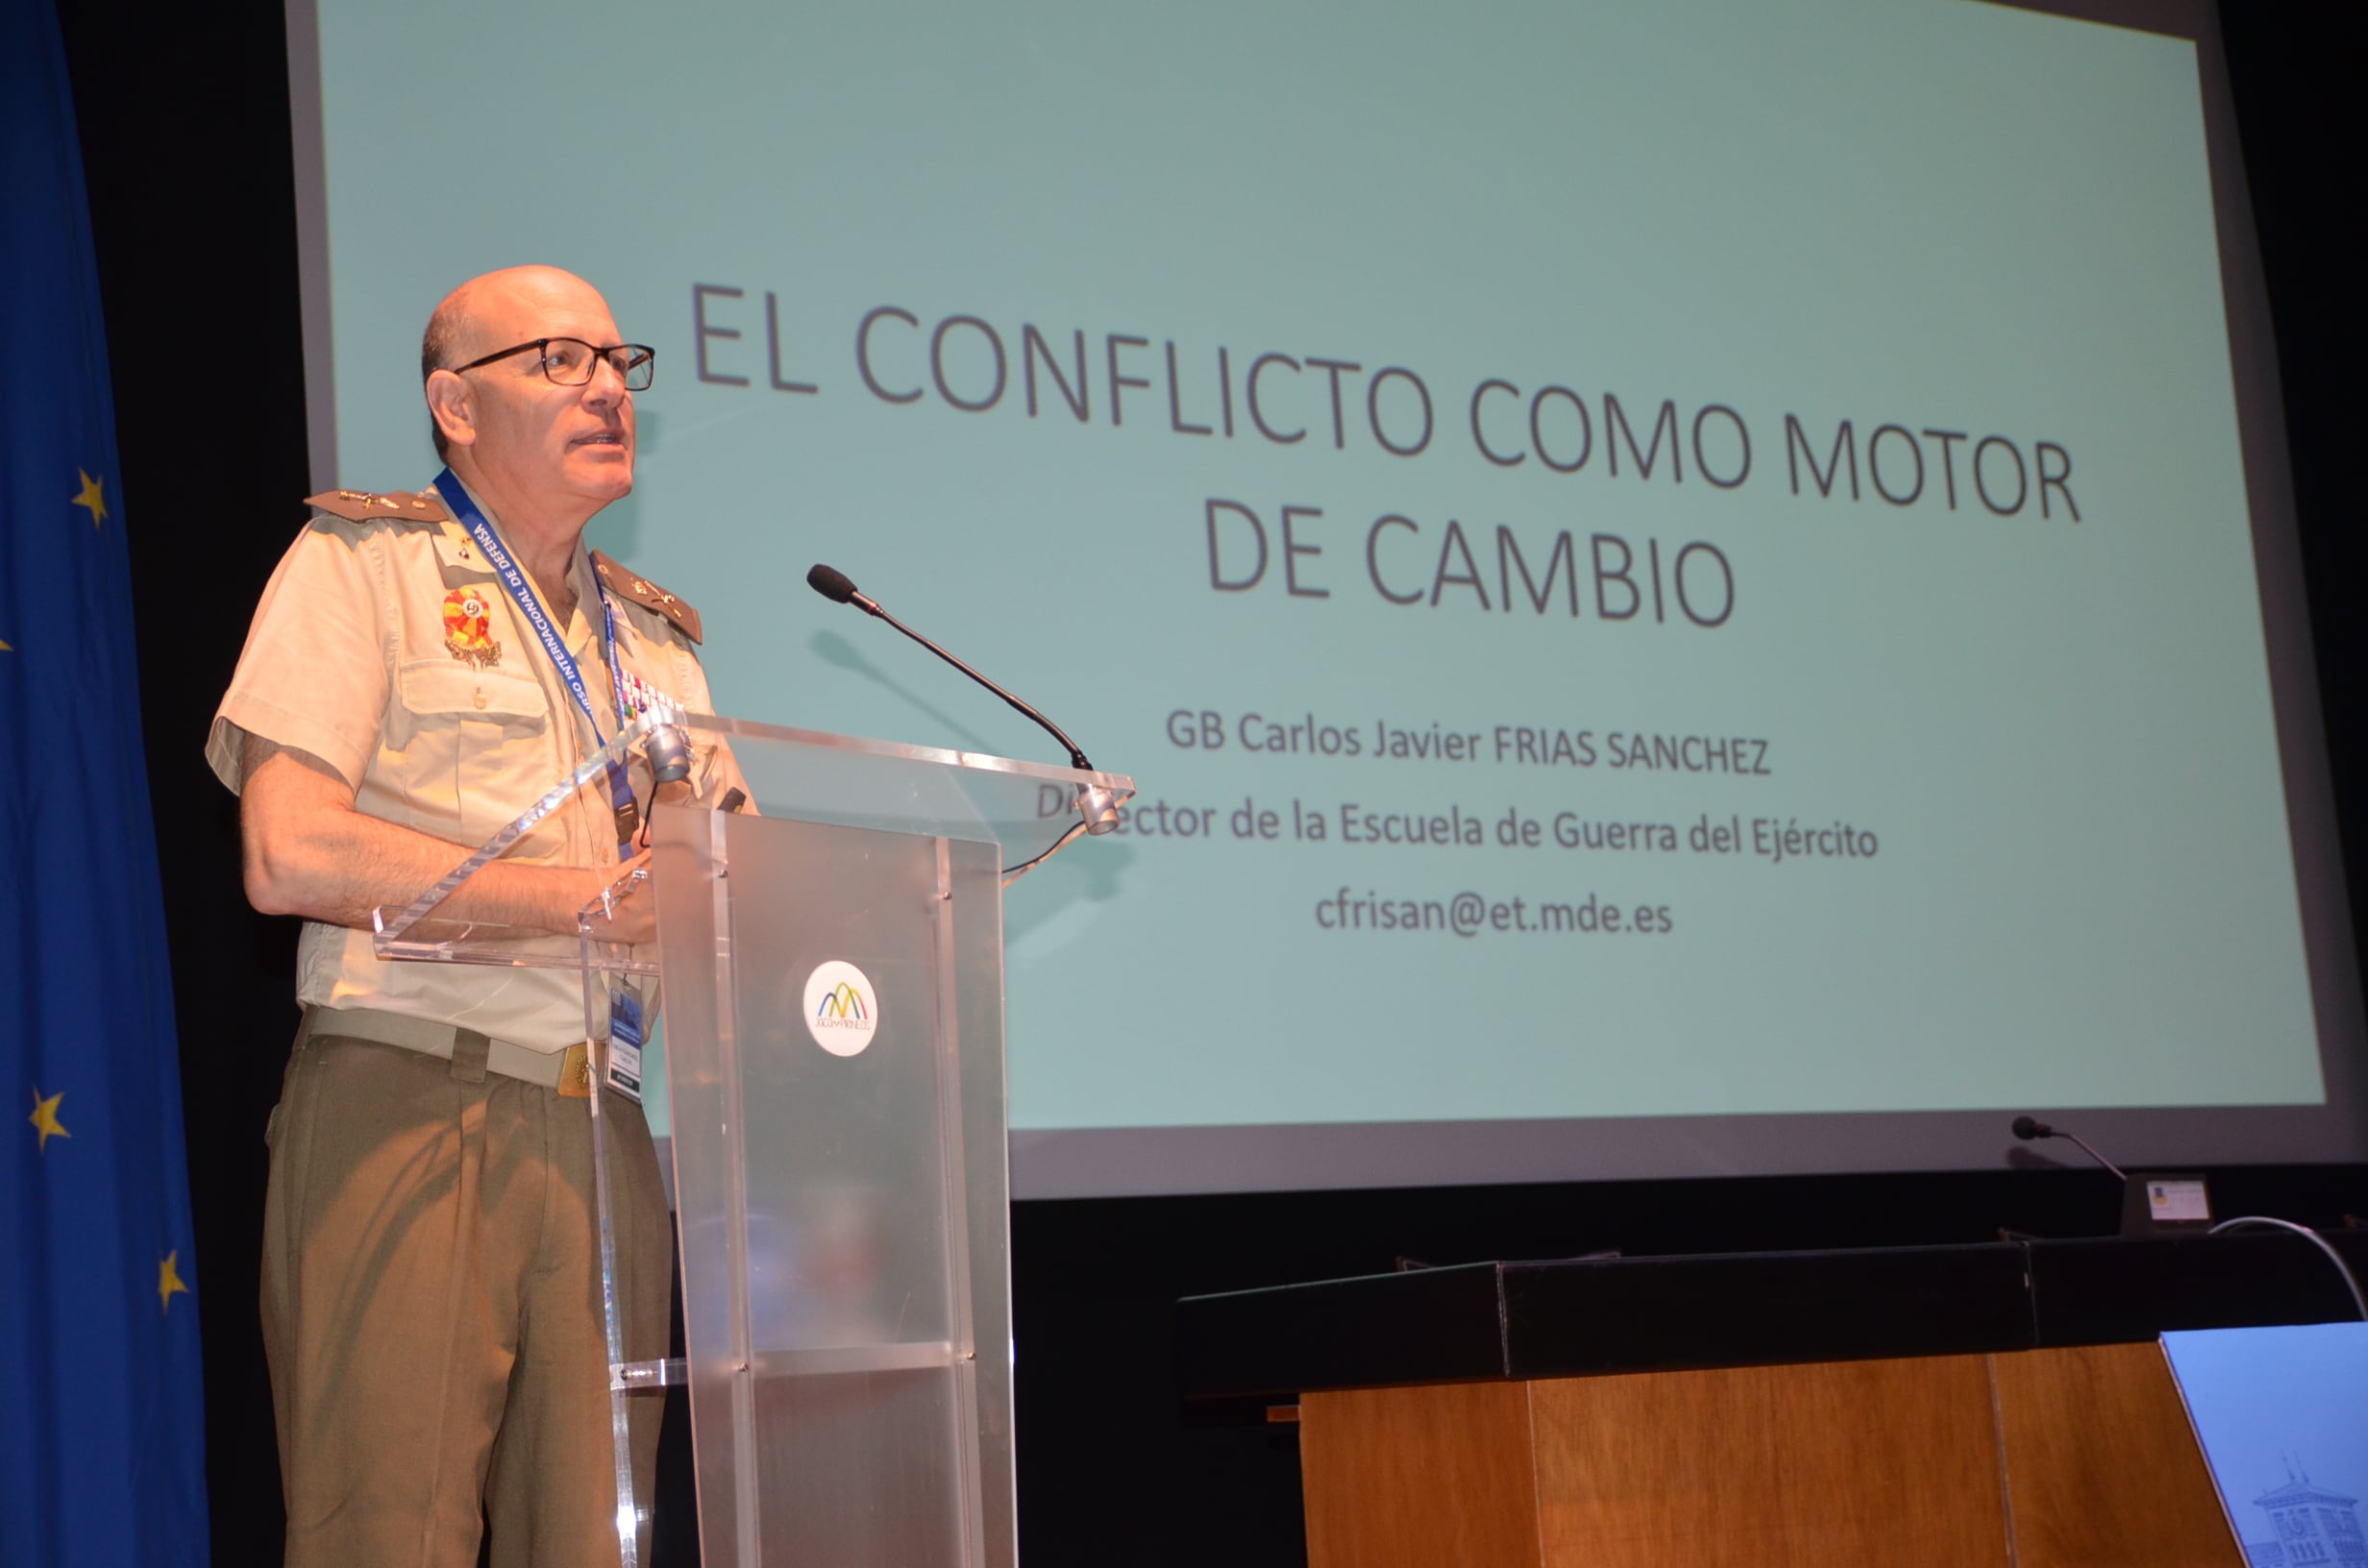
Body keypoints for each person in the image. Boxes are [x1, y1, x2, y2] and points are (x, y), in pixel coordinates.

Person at [208, 264, 725, 1567]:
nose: (607, 386)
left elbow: (736, 893)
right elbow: (288, 850)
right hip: (411, 1097)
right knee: (387, 1536)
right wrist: (586, 901)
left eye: (619, 361)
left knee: (593, 1545)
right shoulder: (361, 570)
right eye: (560, 360)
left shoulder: (658, 648)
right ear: (455, 402)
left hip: (605, 1130)